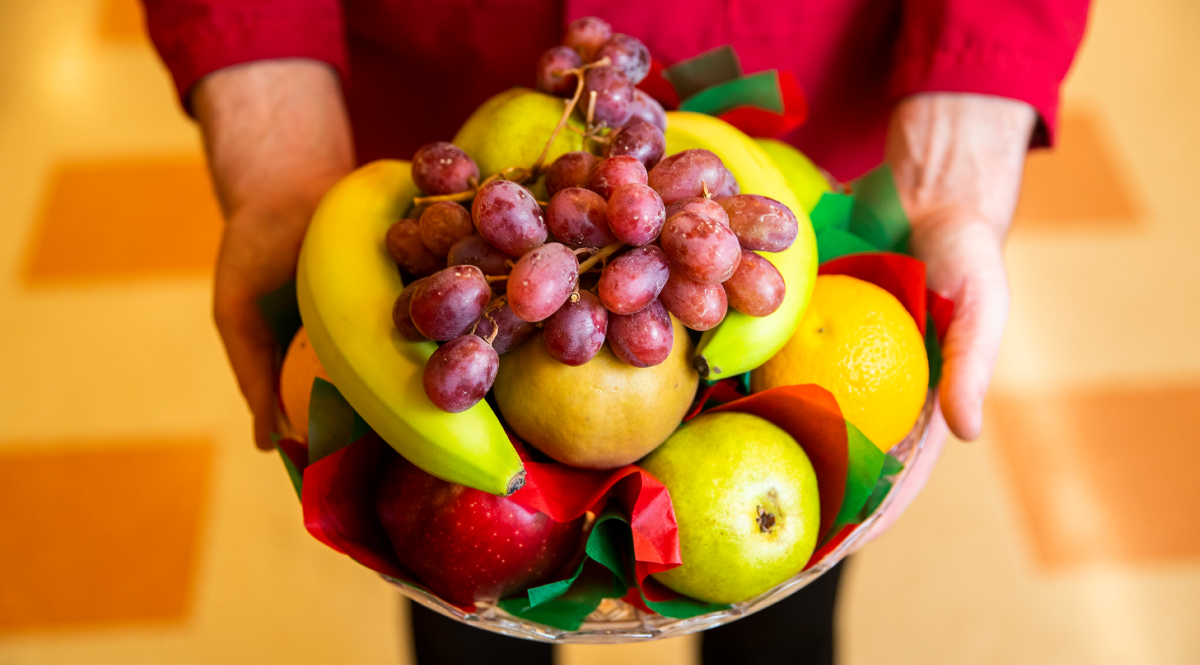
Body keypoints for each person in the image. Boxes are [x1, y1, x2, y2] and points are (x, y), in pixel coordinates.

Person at [142, 1, 1089, 663]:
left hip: (792, 131)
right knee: (461, 608)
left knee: (784, 618)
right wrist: (270, 132)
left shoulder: (714, 235)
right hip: (430, 123)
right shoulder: (469, 236)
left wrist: (965, 134)